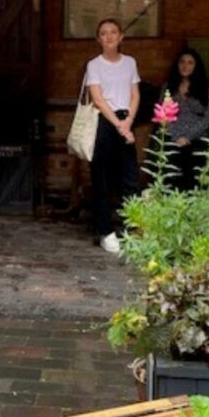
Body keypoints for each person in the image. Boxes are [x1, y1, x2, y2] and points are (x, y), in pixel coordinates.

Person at [84, 18, 140, 254]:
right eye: (103, 33)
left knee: (130, 177)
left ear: (121, 37)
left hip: (125, 120)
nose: (109, 36)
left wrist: (128, 121)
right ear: (99, 39)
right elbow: (97, 98)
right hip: (104, 123)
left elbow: (135, 94)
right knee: (102, 178)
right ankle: (105, 231)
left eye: (113, 32)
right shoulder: (94, 65)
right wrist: (119, 124)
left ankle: (132, 228)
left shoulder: (130, 62)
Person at [160, 47, 209, 192]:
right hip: (173, 139)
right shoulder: (168, 87)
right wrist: (176, 137)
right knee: (173, 181)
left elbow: (207, 118)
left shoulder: (205, 88)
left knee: (196, 182)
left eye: (190, 63)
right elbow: (163, 114)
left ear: (196, 66)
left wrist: (188, 137)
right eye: (182, 62)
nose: (185, 66)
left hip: (197, 140)